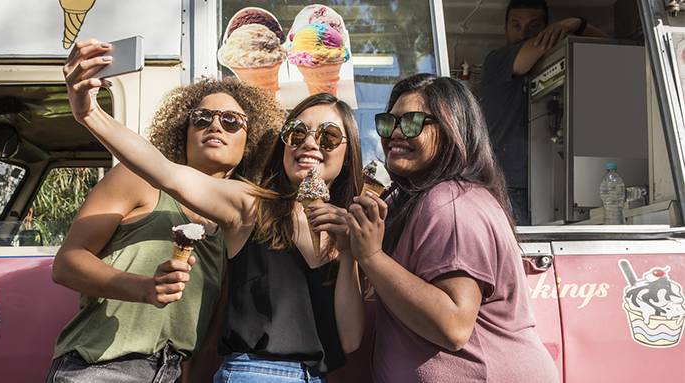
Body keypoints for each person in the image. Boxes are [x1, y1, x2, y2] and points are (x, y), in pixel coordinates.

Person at [64, 38, 365, 383]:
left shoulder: (344, 235)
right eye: (296, 132)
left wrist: (351, 253)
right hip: (253, 374)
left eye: (327, 136)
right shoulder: (252, 205)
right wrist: (91, 114)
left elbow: (350, 340)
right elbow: (166, 172)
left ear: (347, 153)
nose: (309, 142)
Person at [47, 76, 285, 383]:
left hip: (170, 373)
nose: (214, 126)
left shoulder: (236, 229)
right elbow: (66, 263)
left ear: (251, 141)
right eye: (200, 118)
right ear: (182, 131)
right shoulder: (137, 180)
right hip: (100, 365)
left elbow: (207, 335)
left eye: (231, 120)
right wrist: (144, 288)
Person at [347, 73, 558, 382]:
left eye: (413, 122)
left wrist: (371, 256)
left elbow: (454, 326)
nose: (395, 134)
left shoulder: (450, 203)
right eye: (388, 122)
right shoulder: (406, 200)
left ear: (451, 130)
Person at [479, 0, 609, 225]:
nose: (523, 34)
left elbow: (611, 50)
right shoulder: (497, 61)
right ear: (505, 30)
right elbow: (541, 44)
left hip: (549, 184)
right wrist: (571, 25)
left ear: (545, 26)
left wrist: (577, 24)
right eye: (516, 26)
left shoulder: (549, 64)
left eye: (533, 26)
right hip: (508, 185)